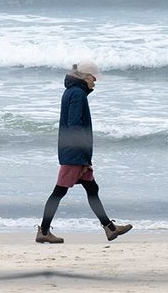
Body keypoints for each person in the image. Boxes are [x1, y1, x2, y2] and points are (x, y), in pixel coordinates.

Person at [36, 59, 133, 244]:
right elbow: (74, 125)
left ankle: (109, 228)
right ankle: (44, 231)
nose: (95, 82)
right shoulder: (78, 94)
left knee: (92, 189)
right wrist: (82, 156)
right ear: (86, 77)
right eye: (94, 78)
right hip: (74, 153)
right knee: (59, 192)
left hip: (75, 152)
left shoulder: (72, 92)